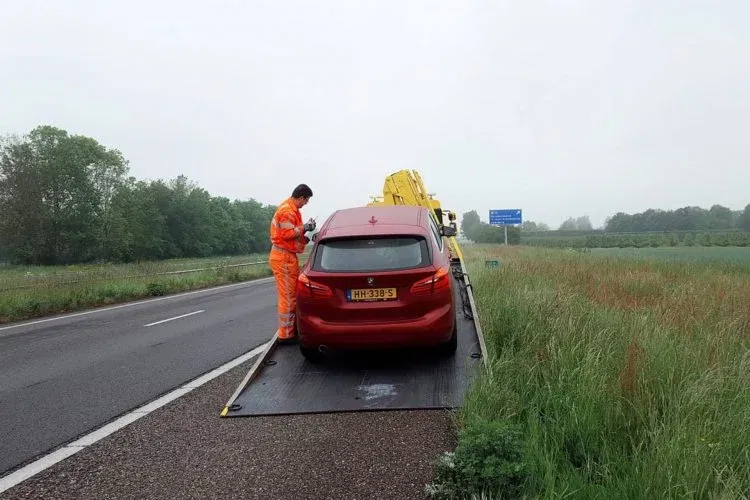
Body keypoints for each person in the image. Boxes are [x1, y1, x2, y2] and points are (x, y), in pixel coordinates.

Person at [269, 183, 316, 344]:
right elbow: (288, 233)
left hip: (286, 256)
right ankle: (286, 335)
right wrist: (305, 227)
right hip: (283, 257)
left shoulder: (292, 210)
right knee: (288, 298)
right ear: (301, 197)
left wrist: (306, 235)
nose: (306, 204)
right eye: (306, 200)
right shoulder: (287, 211)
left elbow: (293, 235)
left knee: (291, 295)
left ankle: (289, 331)